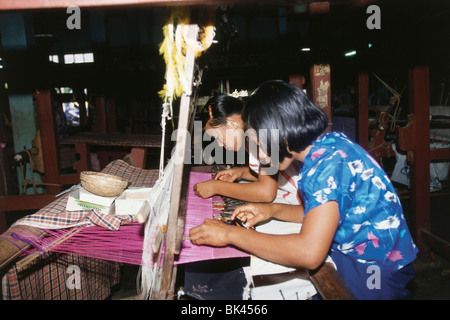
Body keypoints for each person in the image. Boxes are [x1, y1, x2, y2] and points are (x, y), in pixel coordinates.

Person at [190, 80, 418, 300]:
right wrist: (273, 211)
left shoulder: (326, 168)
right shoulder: (329, 147)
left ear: (280, 133)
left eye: (259, 143)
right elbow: (324, 214)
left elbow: (309, 252)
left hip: (376, 270)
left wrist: (230, 234)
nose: (258, 155)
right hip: (353, 255)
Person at [194, 94, 301, 205]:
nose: (220, 145)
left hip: (302, 200)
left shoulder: (259, 135)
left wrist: (216, 187)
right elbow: (270, 174)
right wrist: (242, 172)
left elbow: (266, 192)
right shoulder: (249, 140)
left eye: (218, 137)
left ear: (231, 123)